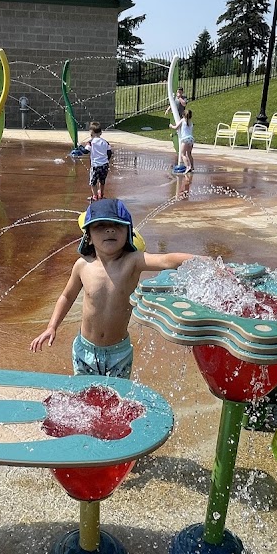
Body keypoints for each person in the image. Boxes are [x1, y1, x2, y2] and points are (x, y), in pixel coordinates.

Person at [30, 198, 194, 379]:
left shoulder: (133, 262)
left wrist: (203, 261)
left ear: (128, 232)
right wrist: (52, 326)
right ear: (89, 237)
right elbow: (66, 297)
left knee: (116, 401)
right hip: (85, 350)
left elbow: (166, 260)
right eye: (100, 226)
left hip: (119, 353)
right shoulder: (83, 265)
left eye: (117, 225)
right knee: (85, 398)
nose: (110, 230)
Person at [82, 120, 112, 200]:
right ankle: (101, 194)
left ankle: (94, 196)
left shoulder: (91, 143)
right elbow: (109, 153)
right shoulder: (105, 142)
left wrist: (80, 148)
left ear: (91, 133)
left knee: (93, 182)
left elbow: (85, 151)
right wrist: (106, 160)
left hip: (95, 166)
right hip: (104, 165)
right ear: (101, 133)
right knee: (102, 181)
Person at [170, 108, 195, 172]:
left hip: (185, 139)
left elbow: (176, 127)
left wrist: (171, 126)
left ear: (183, 115)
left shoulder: (182, 120)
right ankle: (192, 166)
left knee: (183, 154)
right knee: (189, 154)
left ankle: (187, 167)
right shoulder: (190, 122)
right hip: (191, 139)